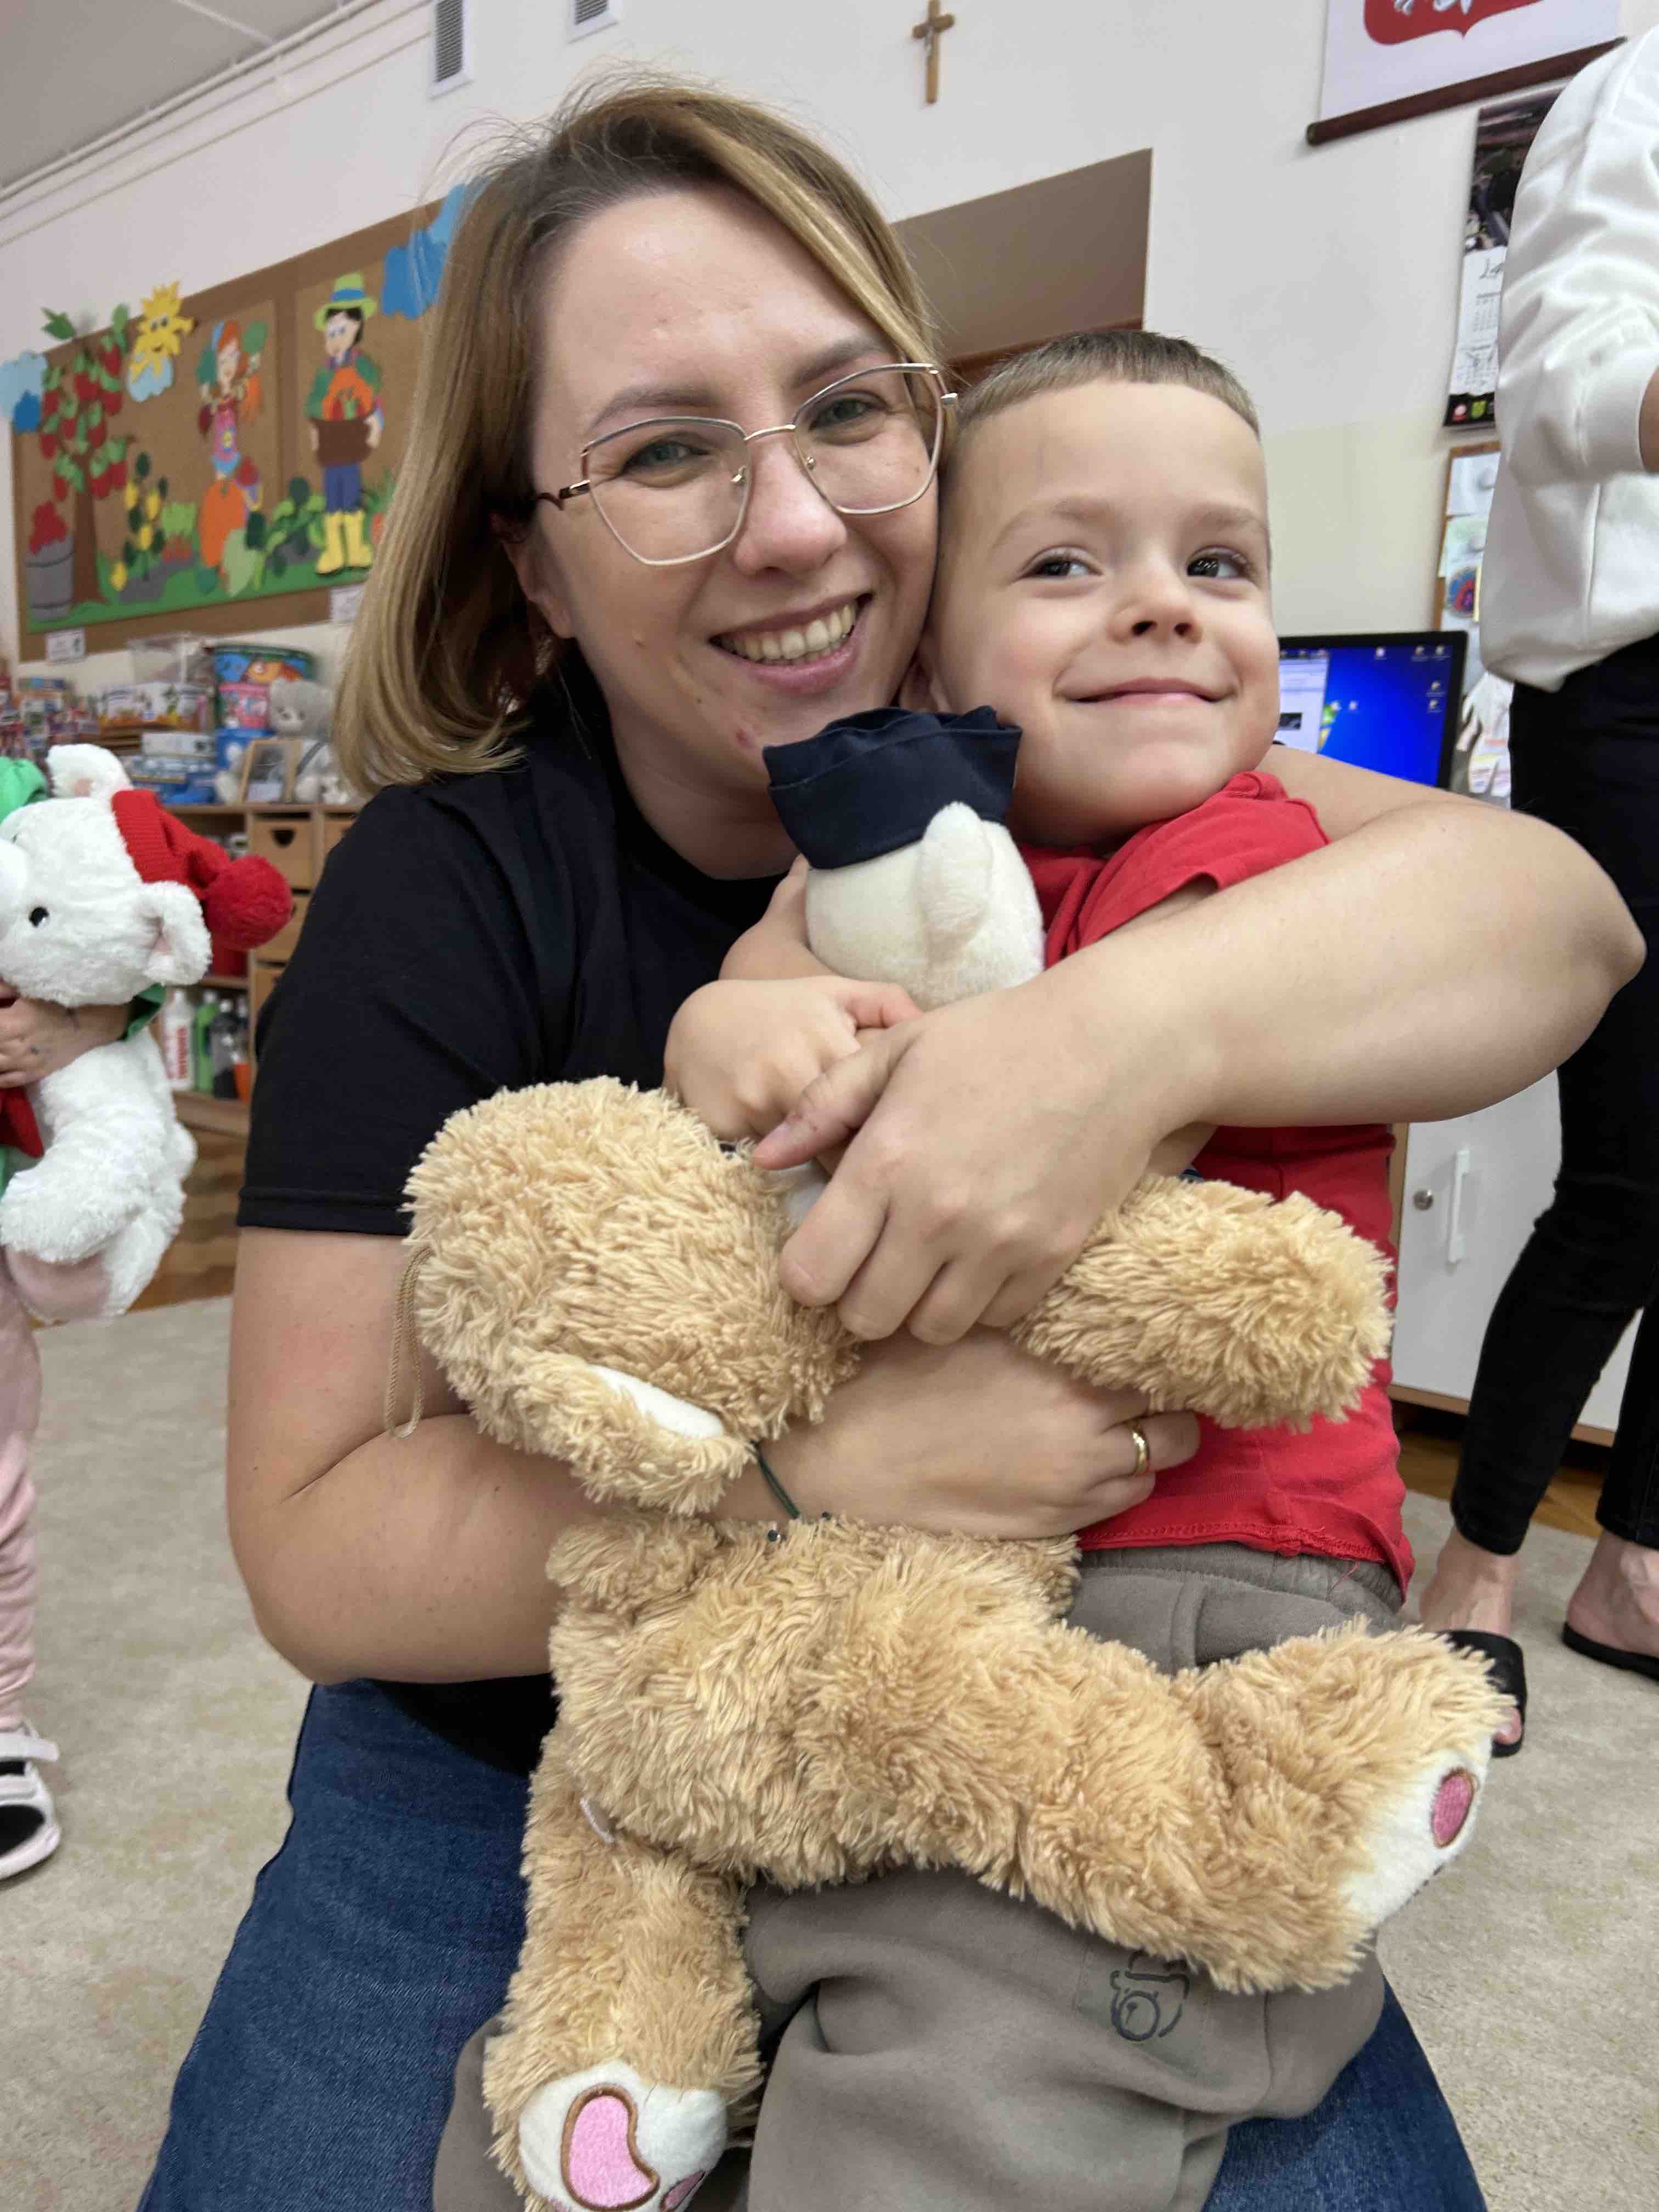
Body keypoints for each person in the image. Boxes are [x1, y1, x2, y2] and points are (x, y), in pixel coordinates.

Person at [133, 78, 1639, 2212]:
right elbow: (312, 1546)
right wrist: (811, 1472)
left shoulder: (1085, 769)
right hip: (546, 1730)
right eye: (665, 452)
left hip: (1047, 1702)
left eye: (848, 411)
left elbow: (1558, 916)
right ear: (530, 560)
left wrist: (1116, 1036)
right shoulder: (448, 887)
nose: (791, 524)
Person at [572, 325, 1469, 2212]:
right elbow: (760, 984)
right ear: (931, 661)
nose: (1161, 606)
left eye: (1219, 564)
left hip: (1205, 1574)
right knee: (729, 1919)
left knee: (991, 2055)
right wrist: (733, 1026)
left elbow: (1039, 1153)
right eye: (1067, 562)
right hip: (936, 1568)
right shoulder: (921, 847)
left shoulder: (1268, 856)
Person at [1418, 30, 1659, 1754]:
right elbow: (1560, 379)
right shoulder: (1637, 89)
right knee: (1634, 1172)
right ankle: (1476, 1567)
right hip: (1630, 685)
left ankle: (1632, 1561)